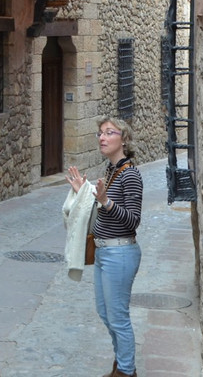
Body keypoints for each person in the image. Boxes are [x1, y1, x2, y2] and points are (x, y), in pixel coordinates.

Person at [66, 116, 143, 377]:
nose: (102, 137)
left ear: (124, 139)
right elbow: (102, 206)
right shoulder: (111, 171)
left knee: (118, 318)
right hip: (104, 252)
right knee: (105, 313)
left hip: (120, 253)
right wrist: (84, 193)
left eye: (109, 133)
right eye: (100, 132)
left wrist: (106, 201)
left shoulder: (130, 174)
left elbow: (133, 220)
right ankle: (120, 364)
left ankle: (126, 371)